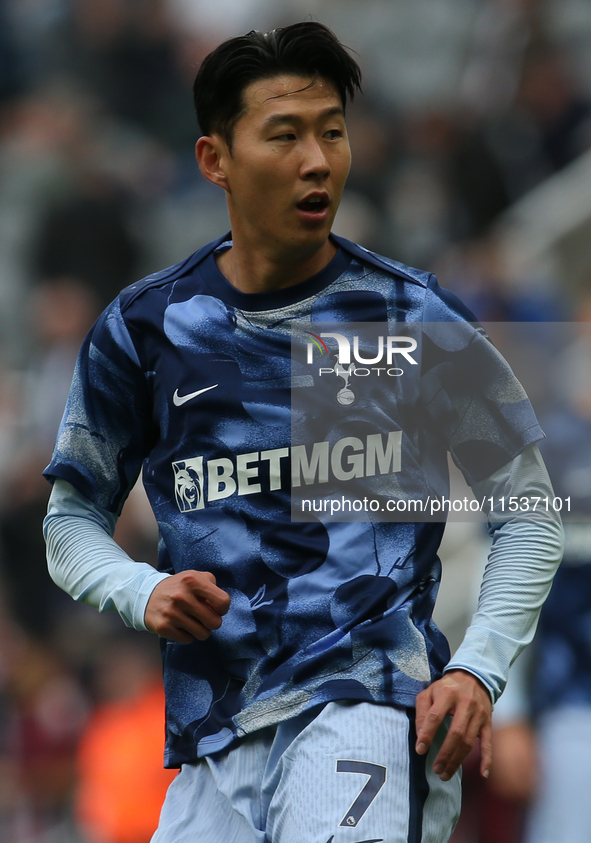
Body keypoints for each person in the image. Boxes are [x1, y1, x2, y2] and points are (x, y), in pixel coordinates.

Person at [43, 22, 564, 843]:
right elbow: (70, 520)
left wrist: (479, 666)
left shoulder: (402, 318)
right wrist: (141, 590)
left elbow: (530, 510)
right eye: (284, 135)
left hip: (364, 710)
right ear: (215, 159)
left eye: (331, 131)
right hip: (212, 738)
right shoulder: (147, 330)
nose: (317, 159)